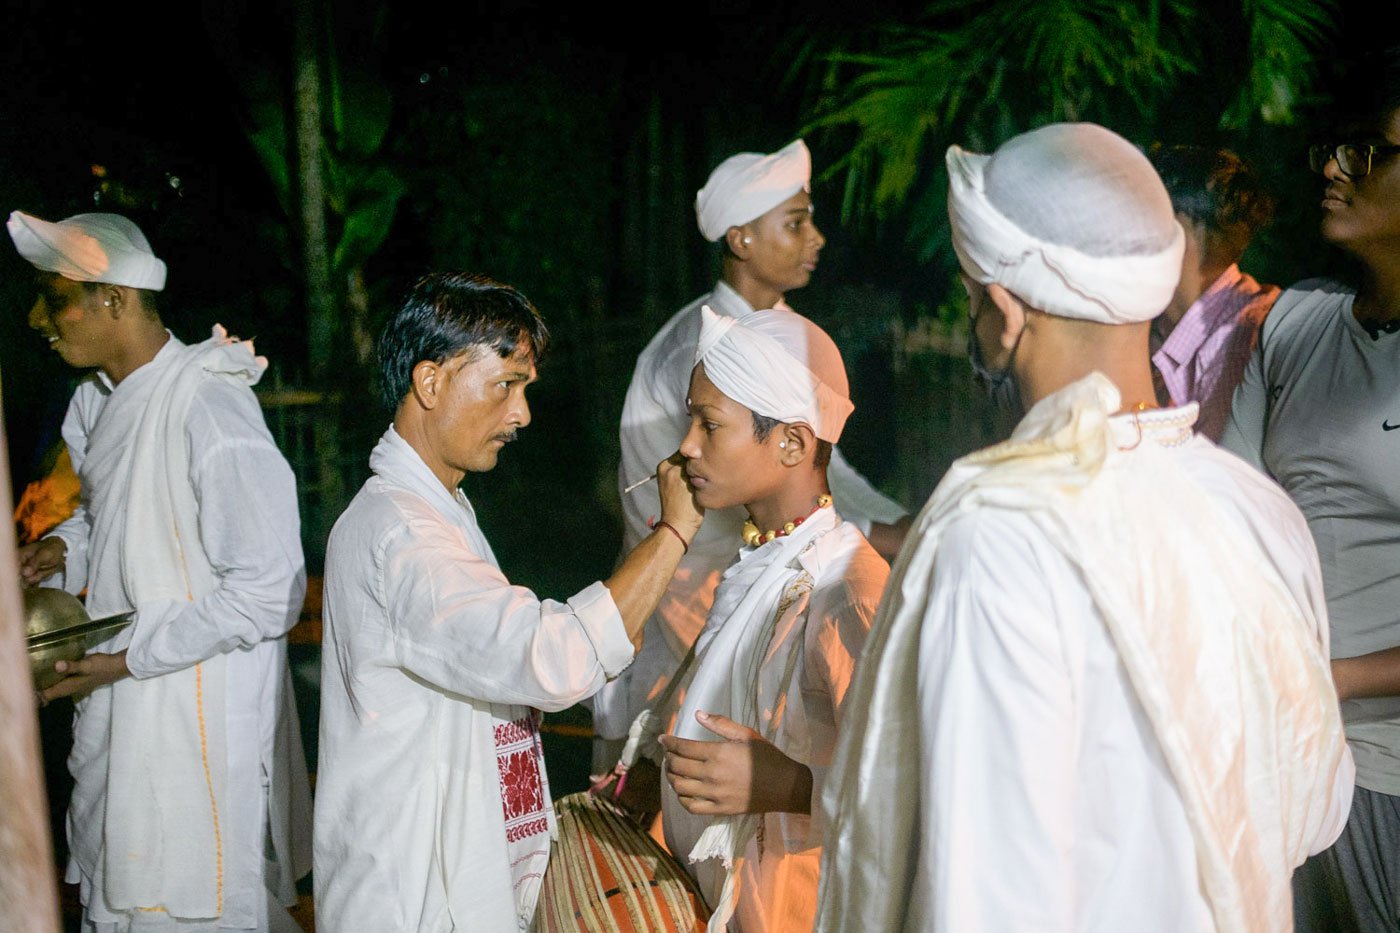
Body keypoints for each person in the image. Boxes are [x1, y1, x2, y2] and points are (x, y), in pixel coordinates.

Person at [815, 123, 1354, 932]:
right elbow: (1313, 804)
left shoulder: (997, 537)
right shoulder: (1255, 510)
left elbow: (977, 895)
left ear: (1002, 312)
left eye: (971, 298)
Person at [313, 271, 704, 932]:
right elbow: (549, 657)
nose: (521, 413)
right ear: (430, 382)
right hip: (411, 901)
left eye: (525, 390)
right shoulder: (403, 536)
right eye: (504, 385)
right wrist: (674, 532)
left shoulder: (436, 510)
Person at [7, 210, 311, 932]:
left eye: (54, 297)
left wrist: (127, 661)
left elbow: (270, 591)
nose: (35, 318)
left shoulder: (209, 402)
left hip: (191, 713)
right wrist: (66, 549)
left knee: (191, 902)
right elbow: (123, 522)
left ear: (114, 299)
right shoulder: (94, 403)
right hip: (120, 705)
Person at [592, 138, 909, 773]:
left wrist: (895, 529)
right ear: (740, 239)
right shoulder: (705, 351)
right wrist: (889, 536)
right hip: (692, 608)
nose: (816, 238)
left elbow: (822, 473)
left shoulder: (772, 335)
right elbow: (760, 502)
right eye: (796, 223)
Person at [1220, 44, 1400, 932]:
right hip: (1279, 759)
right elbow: (1224, 522)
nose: (1335, 168)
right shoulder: (1293, 323)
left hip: (1387, 778)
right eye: (1336, 149)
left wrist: (1323, 678)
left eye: (1369, 153)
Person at [636, 305, 890, 931]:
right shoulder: (762, 560)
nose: (687, 445)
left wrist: (790, 787)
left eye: (709, 424)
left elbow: (914, 792)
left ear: (791, 442)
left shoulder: (845, 588)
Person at [1145, 143, 1280, 441]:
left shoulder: (1244, 336)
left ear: (1186, 231)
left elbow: (1216, 476)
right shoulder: (1154, 322)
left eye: (1144, 214)